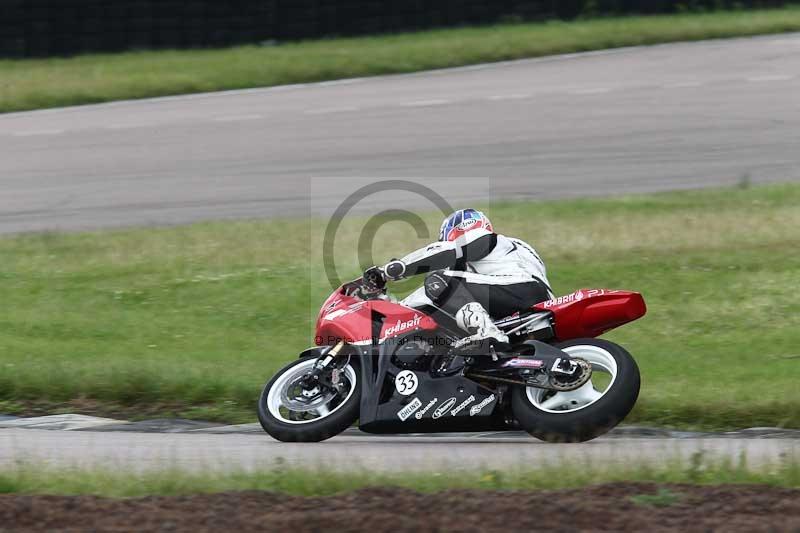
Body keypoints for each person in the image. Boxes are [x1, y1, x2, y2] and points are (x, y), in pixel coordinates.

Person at [363, 208, 554, 348]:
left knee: (438, 279)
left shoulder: (485, 239)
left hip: (519, 289)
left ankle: (486, 333)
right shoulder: (506, 252)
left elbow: (446, 254)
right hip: (532, 307)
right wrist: (391, 310)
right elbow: (427, 300)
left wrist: (391, 270)